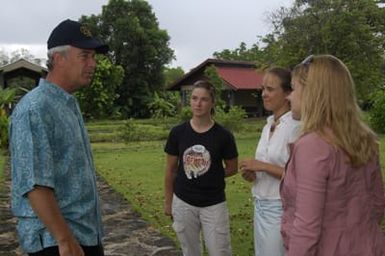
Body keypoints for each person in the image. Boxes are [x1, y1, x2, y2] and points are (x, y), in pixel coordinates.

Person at [9, 19, 109, 256]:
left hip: (82, 235)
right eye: (85, 56)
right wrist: (64, 239)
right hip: (56, 242)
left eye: (94, 56)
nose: (93, 64)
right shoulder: (36, 109)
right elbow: (35, 184)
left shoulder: (67, 103)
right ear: (58, 58)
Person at [281, 54, 385, 255]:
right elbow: (377, 204)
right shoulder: (365, 140)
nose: (289, 96)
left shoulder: (312, 146)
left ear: (313, 93)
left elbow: (306, 229)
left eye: (293, 89)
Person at [164, 80, 238, 256]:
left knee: (220, 251)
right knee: (190, 251)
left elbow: (232, 167)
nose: (198, 103)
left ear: (212, 103)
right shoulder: (178, 133)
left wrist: (208, 174)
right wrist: (168, 202)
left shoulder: (224, 136)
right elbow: (171, 170)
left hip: (214, 204)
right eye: (194, 98)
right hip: (183, 202)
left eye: (204, 99)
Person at [239, 67, 300, 256]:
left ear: (288, 93)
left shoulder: (296, 128)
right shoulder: (268, 125)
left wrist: (262, 166)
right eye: (263, 88)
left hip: (281, 207)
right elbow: (265, 168)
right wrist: (253, 174)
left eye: (270, 89)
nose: (264, 94)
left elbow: (301, 176)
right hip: (260, 203)